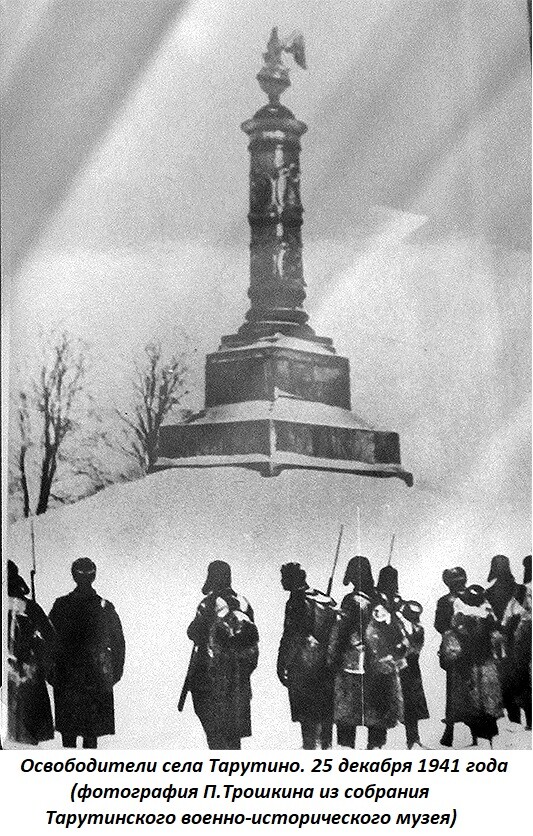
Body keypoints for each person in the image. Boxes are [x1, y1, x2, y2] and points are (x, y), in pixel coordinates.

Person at [49, 558, 125, 749]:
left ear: (73, 576)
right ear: (94, 576)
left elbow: (48, 641)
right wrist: (113, 674)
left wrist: (51, 672)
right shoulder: (105, 607)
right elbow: (119, 644)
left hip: (67, 677)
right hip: (96, 677)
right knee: (91, 736)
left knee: (69, 735)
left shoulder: (61, 606)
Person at [186, 561, 258, 750]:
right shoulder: (244, 602)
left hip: (210, 679)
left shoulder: (209, 603)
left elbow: (193, 632)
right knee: (234, 739)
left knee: (215, 738)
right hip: (239, 680)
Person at [277, 562, 338, 749]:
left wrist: (282, 664)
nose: (281, 581)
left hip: (303, 664)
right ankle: (326, 749)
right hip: (327, 662)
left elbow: (291, 635)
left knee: (307, 715)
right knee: (325, 711)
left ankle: (310, 750)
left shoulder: (296, 600)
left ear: (292, 578)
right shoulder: (325, 599)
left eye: (284, 577)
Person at [446, 584, 504, 746]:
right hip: (468, 661)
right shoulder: (460, 609)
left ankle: (489, 735)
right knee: (472, 698)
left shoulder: (486, 608)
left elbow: (495, 630)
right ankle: (476, 736)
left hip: (484, 660)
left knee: (487, 698)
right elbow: (456, 631)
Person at [328, 556, 375, 748]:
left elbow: (341, 632)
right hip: (375, 660)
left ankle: (347, 749)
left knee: (347, 710)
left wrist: (332, 657)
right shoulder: (380, 599)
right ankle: (375, 748)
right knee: (374, 709)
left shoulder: (351, 600)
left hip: (351, 659)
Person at [7, 560, 55, 746]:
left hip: (13, 676)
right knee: (27, 738)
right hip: (28, 675)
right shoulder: (30, 607)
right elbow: (51, 639)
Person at [364, 566, 408, 749]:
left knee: (389, 699)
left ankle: (379, 742)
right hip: (378, 657)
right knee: (378, 699)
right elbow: (373, 629)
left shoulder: (396, 602)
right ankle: (375, 742)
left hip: (394, 657)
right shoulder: (378, 602)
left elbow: (402, 627)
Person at [486, 554, 525, 723]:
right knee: (519, 679)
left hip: (500, 641)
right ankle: (523, 718)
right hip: (519, 641)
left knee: (506, 679)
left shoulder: (488, 593)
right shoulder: (521, 590)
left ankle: (514, 717)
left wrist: (499, 630)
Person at [434, 566, 468, 747]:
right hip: (462, 648)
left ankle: (451, 731)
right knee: (464, 689)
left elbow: (439, 624)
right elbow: (439, 624)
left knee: (456, 690)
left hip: (459, 648)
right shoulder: (469, 596)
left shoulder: (445, 600)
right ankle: (455, 731)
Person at [501, 555, 532, 729]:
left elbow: (509, 615)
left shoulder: (522, 590)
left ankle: (528, 720)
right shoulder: (522, 590)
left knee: (524, 675)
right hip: (525, 633)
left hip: (525, 634)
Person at [397, 600, 429, 749]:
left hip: (411, 667)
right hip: (397, 667)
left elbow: (417, 647)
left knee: (412, 703)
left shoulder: (418, 628)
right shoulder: (397, 624)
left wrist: (408, 646)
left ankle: (413, 738)